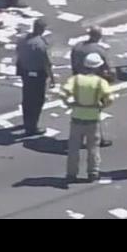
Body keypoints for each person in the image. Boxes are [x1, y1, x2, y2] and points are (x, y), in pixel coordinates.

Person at [63, 54, 113, 184]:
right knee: (93, 147)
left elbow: (62, 93)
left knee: (73, 148)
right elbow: (110, 98)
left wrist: (69, 104)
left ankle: (71, 174)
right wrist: (103, 106)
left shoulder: (76, 79)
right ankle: (93, 172)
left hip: (77, 117)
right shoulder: (100, 82)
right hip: (93, 118)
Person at [69, 27, 114, 147]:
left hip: (78, 83)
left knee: (80, 112)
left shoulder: (77, 47)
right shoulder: (99, 50)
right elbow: (109, 69)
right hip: (94, 85)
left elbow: (73, 64)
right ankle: (99, 138)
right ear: (98, 36)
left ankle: (79, 138)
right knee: (95, 113)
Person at [14, 18, 54, 136]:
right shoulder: (40, 44)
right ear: (42, 29)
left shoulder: (22, 40)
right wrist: (52, 78)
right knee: (37, 101)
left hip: (25, 73)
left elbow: (18, 54)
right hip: (37, 75)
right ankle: (32, 127)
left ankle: (27, 122)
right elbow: (46, 63)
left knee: (27, 99)